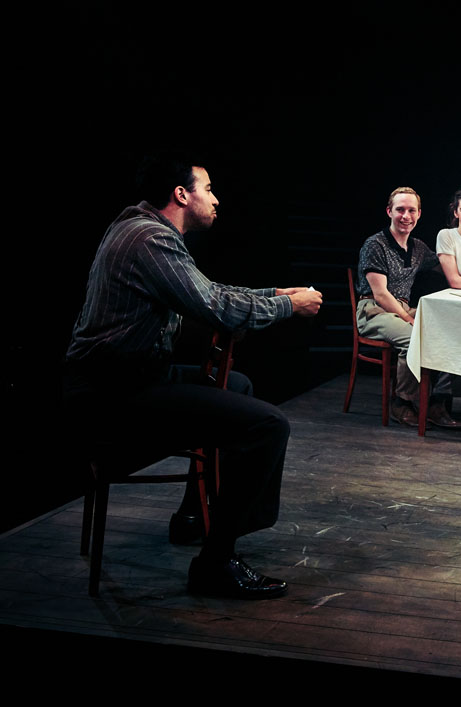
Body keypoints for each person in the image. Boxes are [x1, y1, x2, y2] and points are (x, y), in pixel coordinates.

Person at [64, 152, 324, 599]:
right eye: (208, 189)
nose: (216, 199)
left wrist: (272, 293)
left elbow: (208, 292)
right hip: (112, 394)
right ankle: (215, 560)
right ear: (181, 195)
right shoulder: (149, 239)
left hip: (132, 378)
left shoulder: (145, 230)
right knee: (268, 424)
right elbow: (216, 307)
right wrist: (288, 307)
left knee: (237, 385)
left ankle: (194, 516)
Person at [355, 187, 461, 428]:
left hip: (403, 307)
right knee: (415, 337)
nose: (406, 216)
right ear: (389, 211)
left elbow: (450, 269)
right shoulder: (375, 244)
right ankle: (402, 402)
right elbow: (380, 293)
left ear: (419, 214)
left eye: (411, 210)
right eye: (400, 210)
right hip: (373, 309)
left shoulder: (418, 248)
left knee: (454, 333)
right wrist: (406, 317)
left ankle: (437, 401)